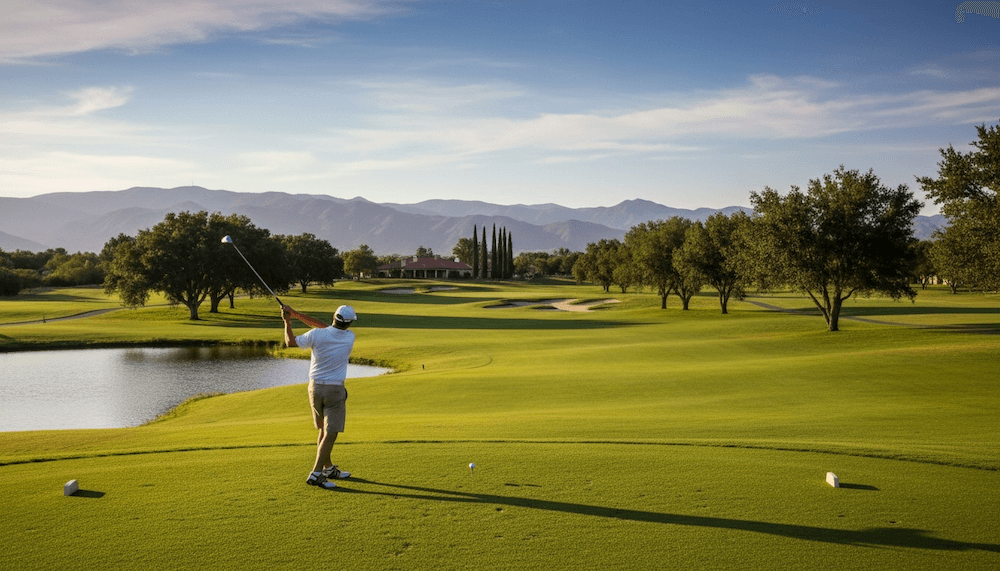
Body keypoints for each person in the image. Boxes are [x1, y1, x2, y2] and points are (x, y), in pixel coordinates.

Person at [282, 303, 358, 490]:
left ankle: (328, 468)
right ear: (349, 324)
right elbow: (325, 327)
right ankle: (316, 473)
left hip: (314, 389)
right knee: (330, 433)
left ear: (334, 317)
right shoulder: (349, 337)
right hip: (334, 391)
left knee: (323, 431)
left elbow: (290, 342)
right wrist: (295, 313)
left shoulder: (317, 334)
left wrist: (288, 320)